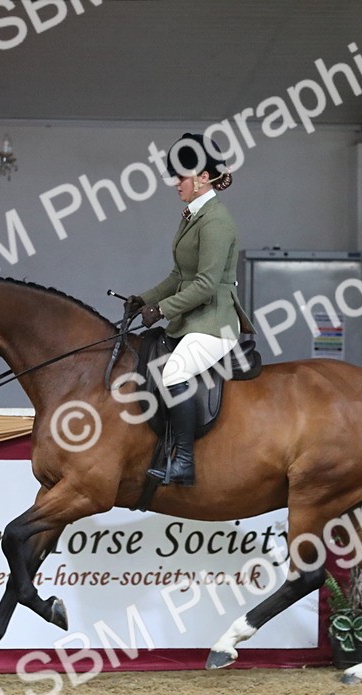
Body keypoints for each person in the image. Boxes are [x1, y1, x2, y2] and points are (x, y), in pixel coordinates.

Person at [126, 133, 256, 486]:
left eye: (180, 177)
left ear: (203, 177)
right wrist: (144, 299)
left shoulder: (216, 221)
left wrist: (162, 309)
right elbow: (179, 275)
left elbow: (205, 285)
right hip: (192, 319)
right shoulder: (193, 216)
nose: (175, 184)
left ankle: (184, 462)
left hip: (215, 322)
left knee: (174, 374)